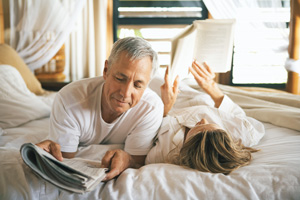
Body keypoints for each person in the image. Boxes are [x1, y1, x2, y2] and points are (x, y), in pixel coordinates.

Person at [36, 37, 164, 181]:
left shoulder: (151, 108)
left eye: (138, 85)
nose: (125, 93)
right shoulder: (69, 99)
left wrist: (128, 159)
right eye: (120, 78)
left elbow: (137, 160)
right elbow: (65, 160)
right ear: (106, 70)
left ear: (146, 85)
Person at [146, 60, 265, 175]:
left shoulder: (163, 153)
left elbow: (144, 134)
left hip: (160, 109)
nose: (203, 120)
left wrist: (165, 107)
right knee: (154, 70)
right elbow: (235, 113)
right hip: (194, 99)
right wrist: (210, 86)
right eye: (210, 124)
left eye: (198, 126)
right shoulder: (244, 133)